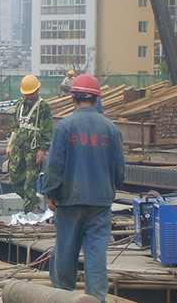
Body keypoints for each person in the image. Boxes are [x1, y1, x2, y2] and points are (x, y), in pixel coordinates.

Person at [41, 74, 125, 301]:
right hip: (100, 202)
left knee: (65, 252)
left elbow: (54, 166)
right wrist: (107, 189)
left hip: (69, 201)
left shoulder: (65, 126)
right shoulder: (110, 128)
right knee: (96, 254)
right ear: (97, 99)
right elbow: (120, 171)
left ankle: (64, 296)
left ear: (72, 98)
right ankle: (97, 298)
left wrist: (51, 193)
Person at [7, 74, 53, 213]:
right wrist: (11, 143)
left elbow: (47, 129)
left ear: (37, 90)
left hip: (34, 148)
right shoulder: (20, 104)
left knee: (30, 183)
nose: (29, 96)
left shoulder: (43, 107)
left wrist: (43, 149)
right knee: (14, 178)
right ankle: (32, 200)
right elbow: (16, 126)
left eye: (31, 93)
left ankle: (29, 212)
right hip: (19, 146)